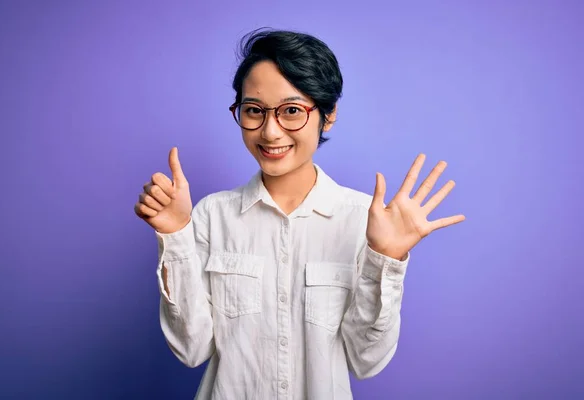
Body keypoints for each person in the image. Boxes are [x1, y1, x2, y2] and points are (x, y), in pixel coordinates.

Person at [134, 28, 465, 400]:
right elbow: (191, 349)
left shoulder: (364, 220)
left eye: (292, 110)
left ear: (329, 114)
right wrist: (175, 233)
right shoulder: (213, 215)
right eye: (254, 110)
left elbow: (366, 360)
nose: (270, 131)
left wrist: (384, 259)